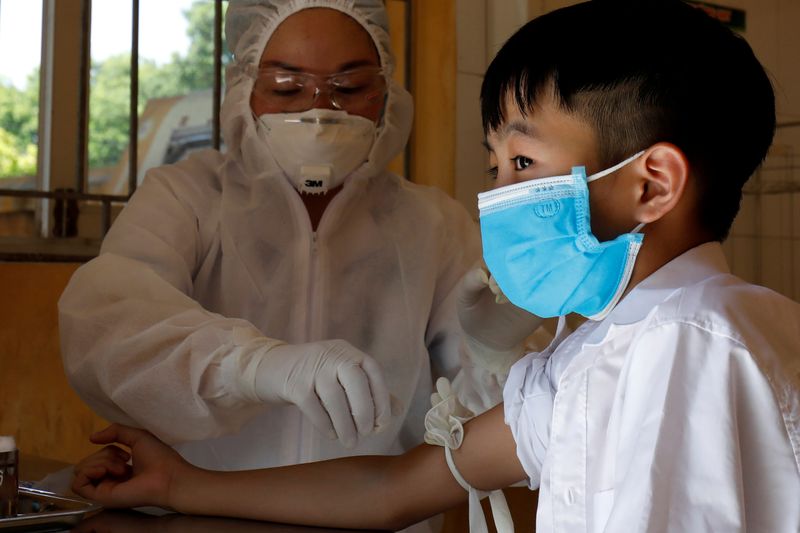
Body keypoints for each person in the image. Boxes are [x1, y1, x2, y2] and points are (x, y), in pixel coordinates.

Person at [72, 0, 800, 531]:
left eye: (522, 161)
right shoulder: (600, 354)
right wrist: (186, 483)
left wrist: (486, 351)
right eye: (496, 163)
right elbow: (394, 489)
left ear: (651, 184)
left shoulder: (688, 343)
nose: (497, 195)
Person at [58, 0, 539, 489]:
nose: (319, 112)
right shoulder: (188, 198)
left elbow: (502, 432)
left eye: (350, 88)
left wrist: (495, 358)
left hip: (376, 522)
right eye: (287, 88)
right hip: (202, 515)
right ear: (244, 88)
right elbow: (108, 328)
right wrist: (252, 367)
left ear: (387, 95)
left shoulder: (433, 226)